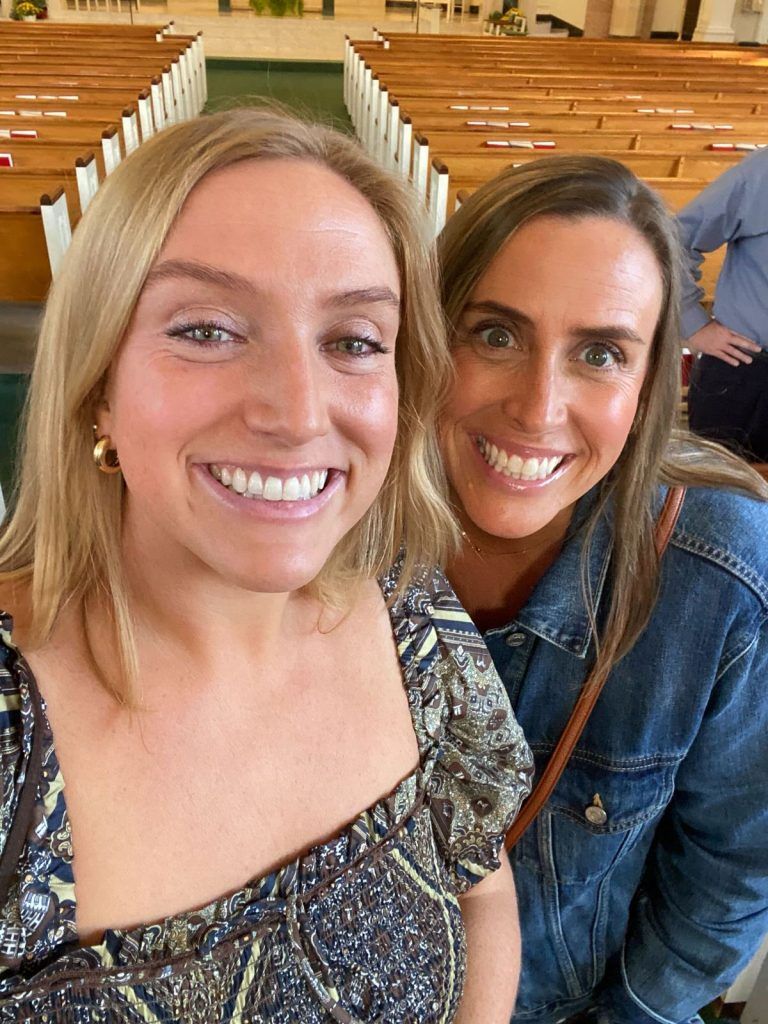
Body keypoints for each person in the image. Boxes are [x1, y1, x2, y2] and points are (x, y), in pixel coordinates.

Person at [0, 107, 533, 1022]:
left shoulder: (409, 613)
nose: (296, 413)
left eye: (355, 340)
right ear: (98, 389)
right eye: (206, 329)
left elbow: (481, 893)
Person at [437, 155, 768, 1024]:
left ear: (651, 381)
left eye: (600, 353)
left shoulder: (722, 575)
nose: (540, 408)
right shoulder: (326, 530)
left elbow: (730, 870)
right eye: (496, 335)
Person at [678, 148, 768, 462]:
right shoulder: (762, 171)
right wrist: (693, 323)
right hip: (746, 374)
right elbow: (675, 240)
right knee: (717, 500)